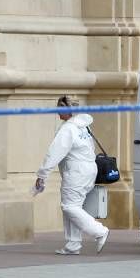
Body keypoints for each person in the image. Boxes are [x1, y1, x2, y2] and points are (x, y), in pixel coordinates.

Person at [35, 96, 109, 255]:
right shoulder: (84, 126)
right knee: (74, 206)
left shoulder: (68, 129)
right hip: (88, 169)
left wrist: (42, 174)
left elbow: (54, 153)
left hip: (76, 172)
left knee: (69, 207)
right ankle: (73, 245)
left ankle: (99, 231)